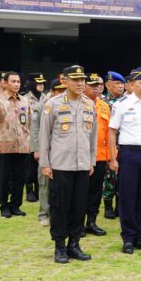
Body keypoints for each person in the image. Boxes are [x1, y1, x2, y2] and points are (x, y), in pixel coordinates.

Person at [39, 65, 96, 264]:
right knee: (60, 207)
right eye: (76, 80)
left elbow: (93, 136)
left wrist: (92, 161)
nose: (80, 84)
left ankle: (74, 244)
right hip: (60, 165)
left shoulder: (89, 104)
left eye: (82, 80)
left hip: (82, 165)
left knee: (79, 207)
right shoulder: (52, 104)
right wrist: (45, 164)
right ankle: (60, 246)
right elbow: (44, 136)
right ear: (65, 81)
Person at [108, 66, 141, 254]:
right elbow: (112, 131)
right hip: (128, 154)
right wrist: (113, 158)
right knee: (127, 196)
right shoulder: (121, 104)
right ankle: (128, 237)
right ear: (131, 84)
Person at [0, 71, 31, 218]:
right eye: (13, 81)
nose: (16, 84)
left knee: (19, 177)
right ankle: (4, 206)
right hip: (4, 146)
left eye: (18, 81)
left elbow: (29, 124)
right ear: (5, 83)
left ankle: (16, 205)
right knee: (4, 178)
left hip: (22, 146)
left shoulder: (25, 101)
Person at [31, 78, 65, 227]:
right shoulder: (41, 107)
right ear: (52, 92)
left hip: (61, 151)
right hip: (46, 150)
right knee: (44, 183)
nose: (62, 93)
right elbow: (35, 129)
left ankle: (58, 213)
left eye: (64, 90)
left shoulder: (66, 106)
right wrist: (37, 149)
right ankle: (44, 214)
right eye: (59, 90)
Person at [83, 73, 109, 236]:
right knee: (80, 192)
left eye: (99, 85)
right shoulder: (79, 104)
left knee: (95, 192)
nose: (97, 88)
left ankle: (91, 221)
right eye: (92, 85)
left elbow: (108, 133)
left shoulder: (104, 106)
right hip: (82, 157)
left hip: (100, 156)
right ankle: (78, 223)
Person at [102, 71, 125, 219]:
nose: (120, 86)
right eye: (117, 83)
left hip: (125, 145)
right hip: (110, 145)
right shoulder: (102, 103)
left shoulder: (128, 101)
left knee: (123, 177)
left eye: (122, 83)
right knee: (109, 177)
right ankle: (108, 206)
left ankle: (120, 206)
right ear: (107, 85)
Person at [23, 72, 46, 203]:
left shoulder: (46, 98)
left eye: (42, 83)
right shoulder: (25, 99)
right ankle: (29, 191)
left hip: (43, 137)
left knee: (41, 165)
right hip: (29, 137)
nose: (41, 85)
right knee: (29, 167)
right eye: (38, 83)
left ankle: (39, 189)